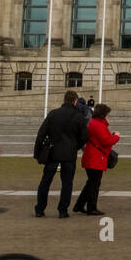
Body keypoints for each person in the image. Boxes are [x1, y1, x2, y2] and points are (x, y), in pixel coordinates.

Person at [34, 90, 89, 218]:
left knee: (46, 181)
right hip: (69, 153)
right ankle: (63, 210)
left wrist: (37, 153)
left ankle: (40, 209)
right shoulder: (78, 116)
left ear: (64, 100)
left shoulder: (53, 114)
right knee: (67, 183)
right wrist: (76, 146)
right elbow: (85, 136)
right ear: (75, 101)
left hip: (53, 152)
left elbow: (41, 134)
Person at [78, 103, 119, 214]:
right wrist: (116, 136)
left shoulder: (94, 123)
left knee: (91, 183)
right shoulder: (99, 125)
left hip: (92, 157)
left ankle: (79, 205)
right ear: (103, 115)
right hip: (96, 158)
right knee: (95, 184)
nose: (108, 116)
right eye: (107, 114)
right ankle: (92, 208)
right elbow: (106, 141)